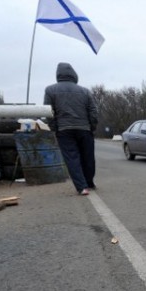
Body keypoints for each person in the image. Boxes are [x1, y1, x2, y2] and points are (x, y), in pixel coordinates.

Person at [44, 62, 98, 196]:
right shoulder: (85, 91)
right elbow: (93, 111)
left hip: (64, 130)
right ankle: (89, 182)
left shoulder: (50, 90)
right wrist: (92, 127)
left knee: (72, 158)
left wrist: (55, 128)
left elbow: (48, 112)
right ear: (74, 74)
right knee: (88, 157)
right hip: (84, 128)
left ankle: (82, 187)